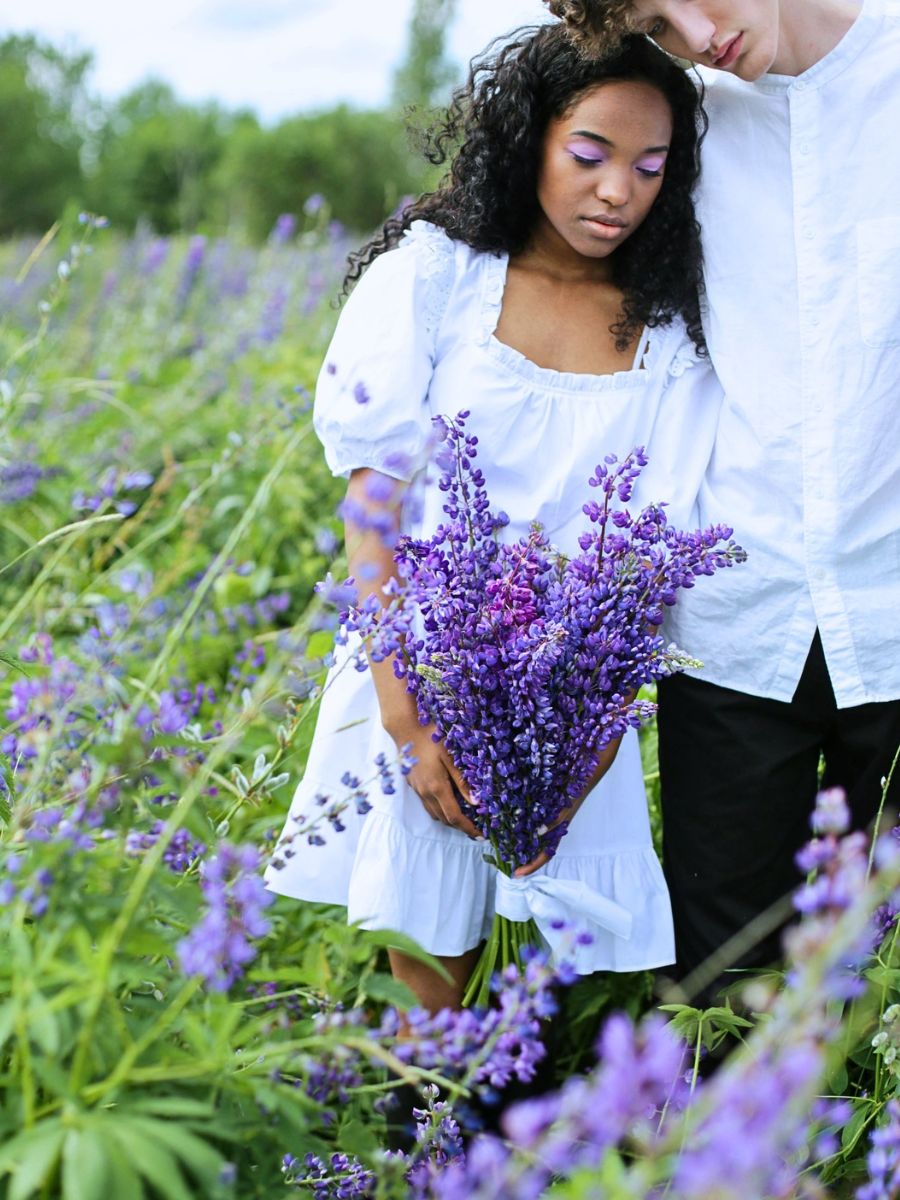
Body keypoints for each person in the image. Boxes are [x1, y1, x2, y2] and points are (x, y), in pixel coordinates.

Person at [266, 23, 725, 1011]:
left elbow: (655, 543)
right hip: (423, 668)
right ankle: (422, 1145)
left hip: (574, 691)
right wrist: (405, 717)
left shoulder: (667, 323)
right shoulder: (441, 273)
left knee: (552, 993)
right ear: (531, 139)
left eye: (652, 167)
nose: (618, 192)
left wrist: (596, 734)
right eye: (590, 155)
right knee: (433, 988)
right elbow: (375, 496)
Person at [547, 0, 900, 992]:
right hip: (735, 629)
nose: (698, 41)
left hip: (896, 607)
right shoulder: (670, 128)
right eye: (656, 26)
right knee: (721, 1003)